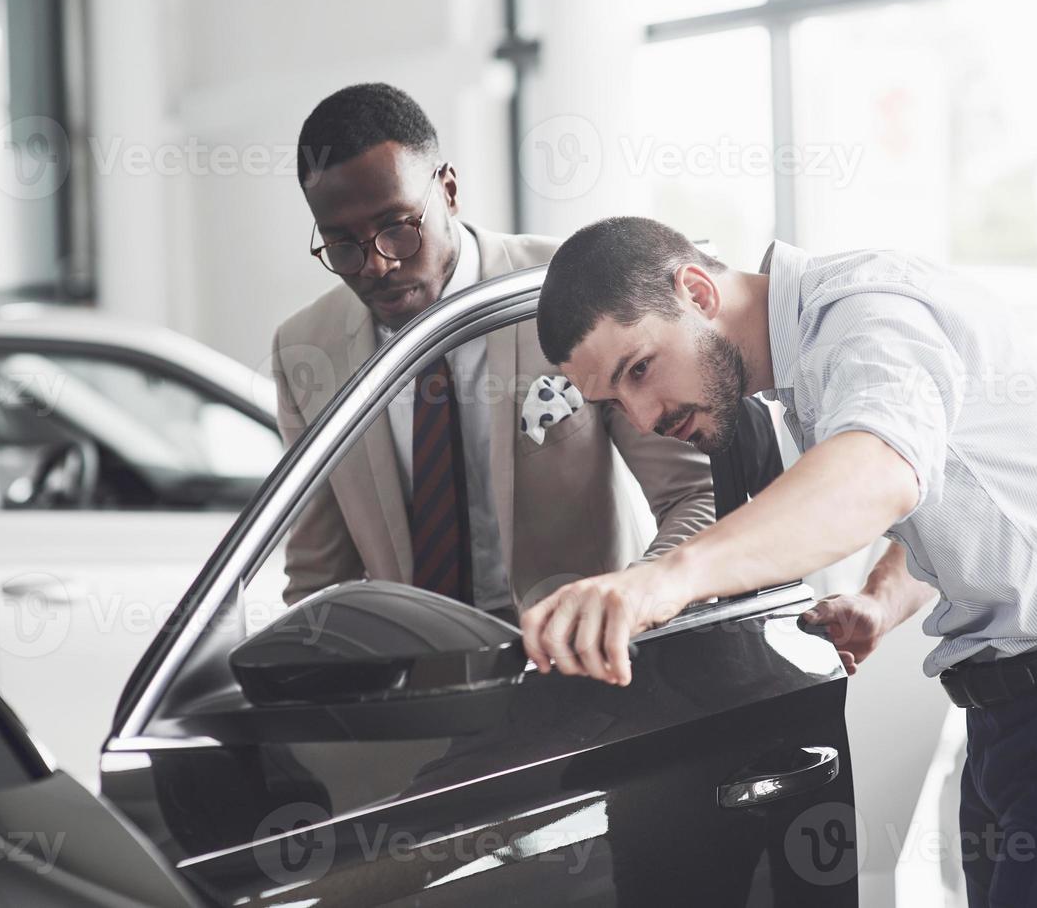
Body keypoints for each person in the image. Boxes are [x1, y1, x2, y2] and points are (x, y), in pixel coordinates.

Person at [521, 215, 1037, 908]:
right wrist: (883, 600)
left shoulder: (866, 319)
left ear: (698, 294)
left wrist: (665, 578)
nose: (643, 419)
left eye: (640, 369)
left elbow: (880, 472)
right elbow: (958, 489)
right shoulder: (819, 355)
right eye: (616, 399)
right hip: (1023, 720)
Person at [271, 87, 715, 616]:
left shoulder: (576, 287)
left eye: (396, 227)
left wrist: (623, 606)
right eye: (343, 244)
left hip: (593, 669)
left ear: (450, 190)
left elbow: (696, 498)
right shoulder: (305, 348)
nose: (377, 265)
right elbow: (321, 581)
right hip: (421, 681)